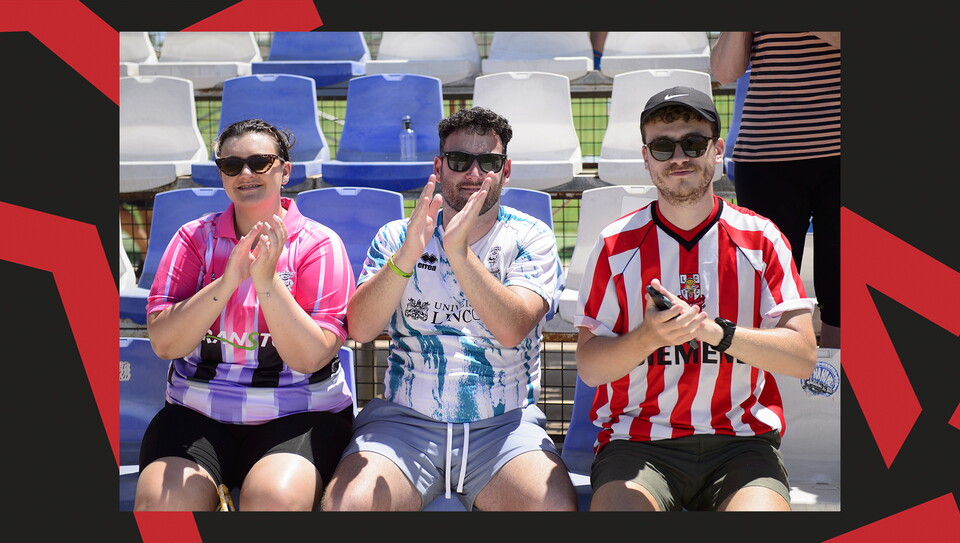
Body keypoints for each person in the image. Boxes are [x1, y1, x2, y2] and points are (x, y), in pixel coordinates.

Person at [573, 87, 818, 511]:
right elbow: (591, 368)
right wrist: (648, 336)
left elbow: (802, 356)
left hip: (742, 445)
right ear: (646, 158)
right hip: (639, 443)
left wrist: (713, 331)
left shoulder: (762, 238)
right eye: (663, 146)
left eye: (693, 143)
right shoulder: (616, 243)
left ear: (717, 150)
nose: (679, 157)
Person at [321, 106, 576, 512]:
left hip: (504, 428)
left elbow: (513, 329)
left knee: (553, 508)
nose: (473, 174)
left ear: (505, 170)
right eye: (459, 161)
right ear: (439, 167)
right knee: (347, 507)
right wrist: (407, 255)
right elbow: (362, 329)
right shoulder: (397, 236)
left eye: (488, 163)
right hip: (404, 424)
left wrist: (458, 252)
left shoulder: (531, 235)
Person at [134, 119, 356, 511]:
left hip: (299, 412)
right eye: (232, 165)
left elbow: (309, 357)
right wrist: (228, 281)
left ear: (284, 170)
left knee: (274, 499)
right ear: (222, 174)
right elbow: (166, 343)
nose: (246, 173)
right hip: (196, 412)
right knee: (161, 506)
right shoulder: (193, 239)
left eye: (260, 162)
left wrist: (266, 282)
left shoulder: (319, 245)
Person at [710, 31, 841, 349]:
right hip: (765, 159)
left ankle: (838, 391)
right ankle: (776, 391)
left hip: (841, 154)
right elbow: (724, 72)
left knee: (843, 289)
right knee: (767, 292)